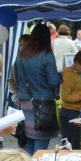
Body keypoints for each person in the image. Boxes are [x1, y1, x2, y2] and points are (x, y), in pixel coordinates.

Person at [13, 23, 61, 154]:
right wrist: (60, 77)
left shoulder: (21, 54)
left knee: (27, 144)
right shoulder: (46, 54)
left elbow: (16, 77)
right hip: (43, 104)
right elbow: (53, 81)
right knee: (40, 148)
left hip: (25, 103)